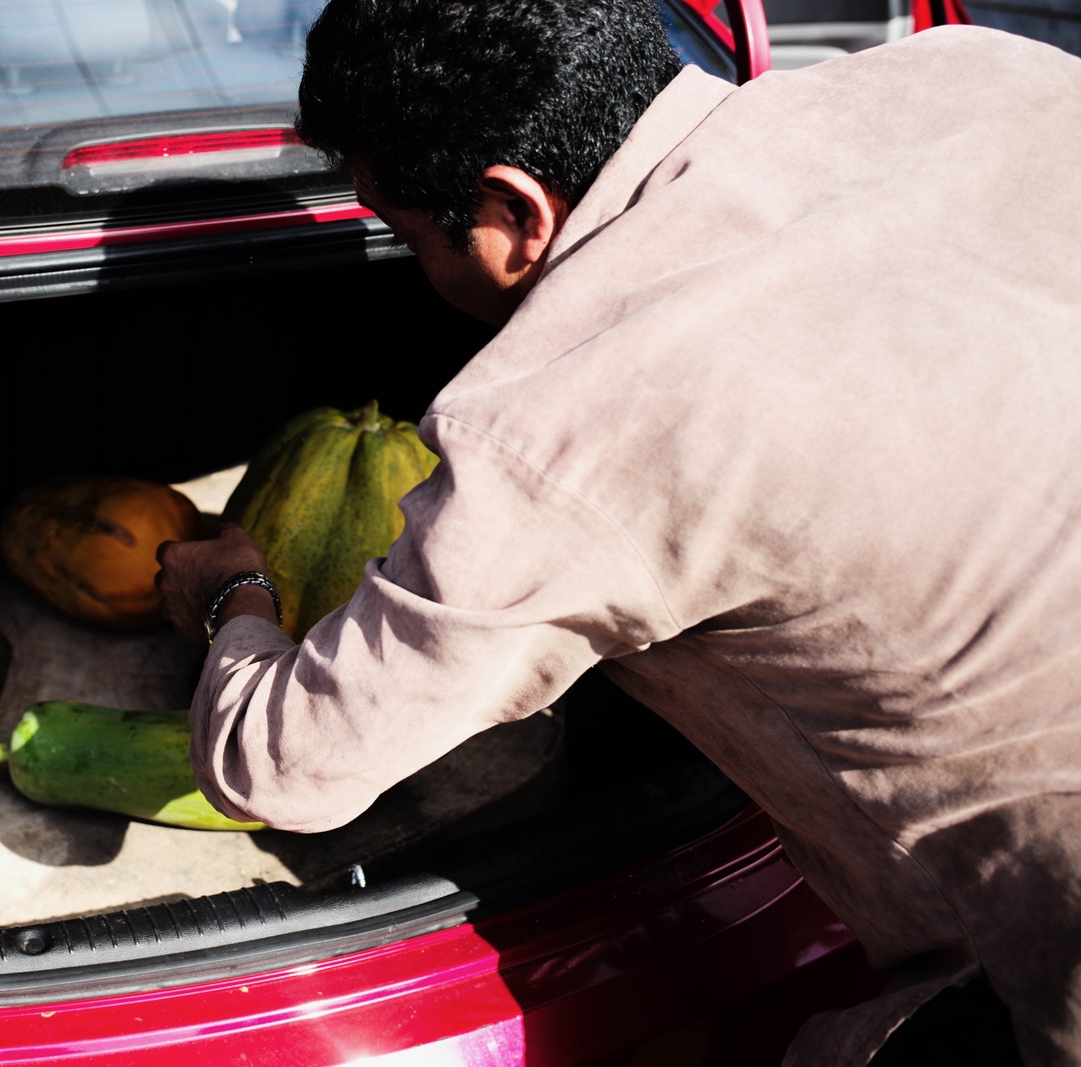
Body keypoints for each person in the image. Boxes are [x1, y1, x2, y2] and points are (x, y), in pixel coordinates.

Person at [153, 1, 1081, 1063]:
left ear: (510, 207)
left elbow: (280, 765)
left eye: (403, 235)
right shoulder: (983, 71)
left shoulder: (558, 425)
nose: (410, 262)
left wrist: (235, 593)